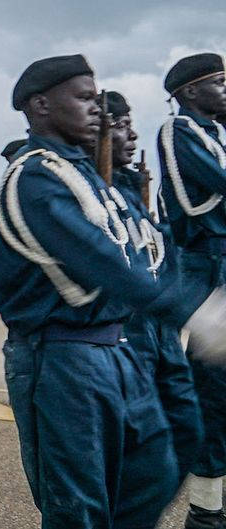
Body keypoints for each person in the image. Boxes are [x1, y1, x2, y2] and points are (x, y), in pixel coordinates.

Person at [0, 54, 226, 529]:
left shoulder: (92, 179)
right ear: (40, 106)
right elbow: (99, 259)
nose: (97, 109)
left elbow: (149, 255)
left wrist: (195, 303)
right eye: (83, 99)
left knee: (157, 468)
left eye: (98, 99)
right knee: (78, 502)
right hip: (61, 353)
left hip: (114, 347)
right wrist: (191, 313)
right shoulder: (36, 176)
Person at [104, 91, 204, 488]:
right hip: (129, 332)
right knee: (130, 456)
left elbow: (161, 254)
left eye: (131, 124)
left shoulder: (131, 190)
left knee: (184, 431)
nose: (132, 135)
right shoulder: (95, 192)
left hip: (159, 330)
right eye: (121, 126)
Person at [155, 53, 226, 528]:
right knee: (212, 388)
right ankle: (204, 508)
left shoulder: (214, 135)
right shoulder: (180, 131)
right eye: (220, 82)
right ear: (190, 92)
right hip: (204, 267)